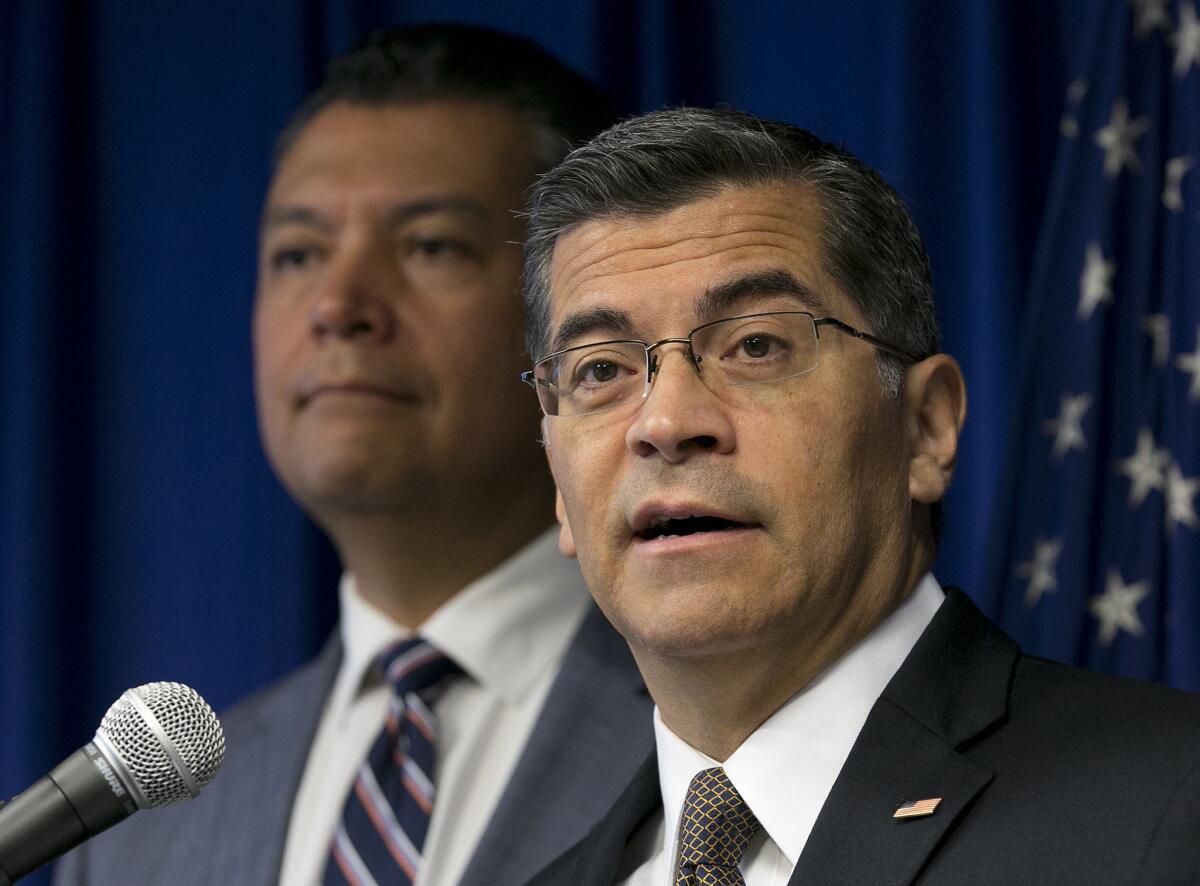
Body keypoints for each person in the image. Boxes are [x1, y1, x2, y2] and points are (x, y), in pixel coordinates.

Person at [520, 107, 1200, 884]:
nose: (667, 422)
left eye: (756, 346)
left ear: (925, 428)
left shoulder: (1172, 812)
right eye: (599, 371)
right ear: (559, 487)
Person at [55, 25, 655, 886]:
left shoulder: (735, 726)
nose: (339, 306)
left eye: (430, 246)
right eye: (298, 254)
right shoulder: (136, 834)